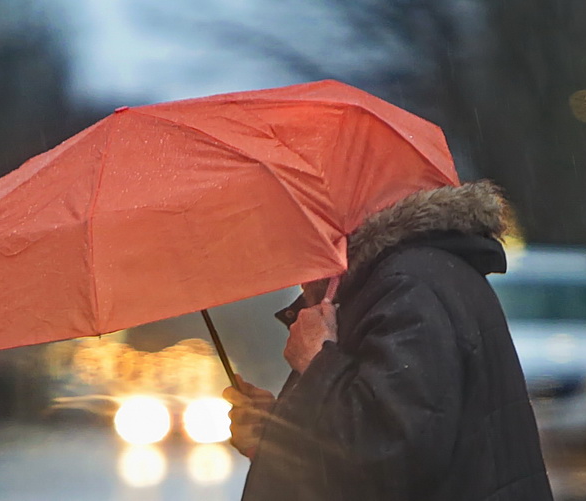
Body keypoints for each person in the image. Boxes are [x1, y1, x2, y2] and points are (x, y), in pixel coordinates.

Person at [223, 180, 554, 501]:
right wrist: (280, 430)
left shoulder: (408, 286)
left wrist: (317, 361)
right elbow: (373, 438)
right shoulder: (400, 279)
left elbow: (389, 452)